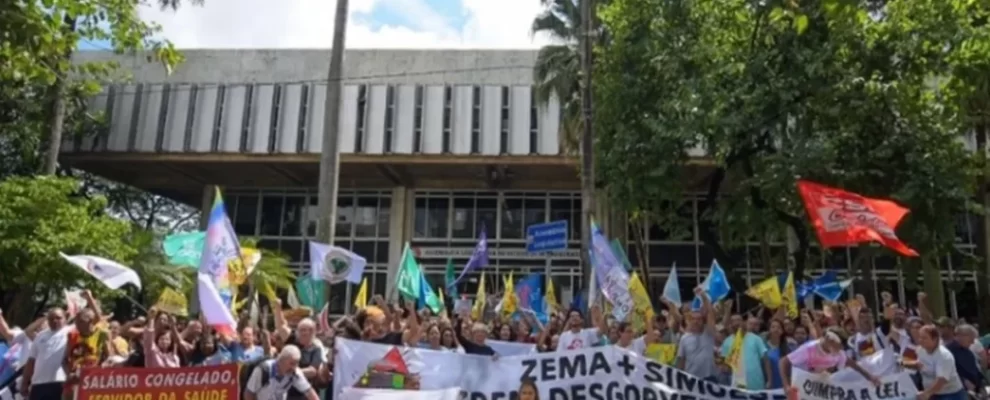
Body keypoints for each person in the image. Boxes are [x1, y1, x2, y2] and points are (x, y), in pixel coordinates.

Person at [780, 328, 881, 396]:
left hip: (817, 389)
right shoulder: (809, 349)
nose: (839, 350)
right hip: (800, 386)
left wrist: (870, 377)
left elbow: (853, 364)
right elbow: (783, 362)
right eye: (838, 346)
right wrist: (786, 385)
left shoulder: (839, 353)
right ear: (830, 340)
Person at [906, 325, 966, 400]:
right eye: (920, 337)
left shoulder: (944, 355)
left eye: (924, 338)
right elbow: (908, 362)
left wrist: (927, 393)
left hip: (951, 394)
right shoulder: (920, 350)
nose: (920, 340)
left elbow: (941, 380)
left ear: (935, 339)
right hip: (932, 393)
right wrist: (910, 364)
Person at [21, 308, 69, 400]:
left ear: (65, 318)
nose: (54, 321)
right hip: (38, 384)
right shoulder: (40, 336)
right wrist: (24, 383)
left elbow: (95, 321)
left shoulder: (72, 331)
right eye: (51, 319)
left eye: (58, 318)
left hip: (60, 381)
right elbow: (31, 360)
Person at [244, 345, 320, 400]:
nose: (294, 367)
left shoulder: (295, 373)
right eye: (292, 363)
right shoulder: (263, 370)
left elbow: (310, 393)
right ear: (281, 360)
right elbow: (249, 393)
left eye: (297, 364)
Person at [676, 288, 718, 381]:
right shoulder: (684, 338)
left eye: (699, 319)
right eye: (693, 319)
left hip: (709, 379)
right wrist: (678, 377)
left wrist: (703, 296)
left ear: (703, 321)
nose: (696, 321)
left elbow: (710, 313)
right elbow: (681, 359)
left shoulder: (709, 333)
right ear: (689, 321)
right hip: (690, 379)